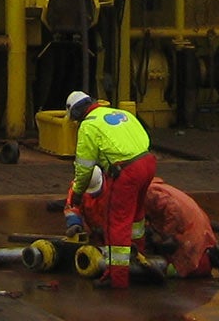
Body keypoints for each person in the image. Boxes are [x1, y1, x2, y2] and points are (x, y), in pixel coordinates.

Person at [65, 167, 219, 280]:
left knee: (180, 267)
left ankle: (209, 259)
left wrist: (166, 234)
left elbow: (166, 208)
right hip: (102, 232)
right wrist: (74, 222)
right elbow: (72, 205)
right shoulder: (78, 186)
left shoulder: (125, 190)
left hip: (184, 225)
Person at [65, 91, 158, 289]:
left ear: (77, 114)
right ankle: (139, 259)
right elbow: (143, 138)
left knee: (117, 224)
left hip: (126, 171)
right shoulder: (119, 113)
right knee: (137, 217)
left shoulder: (89, 126)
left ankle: (117, 278)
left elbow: (84, 167)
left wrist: (78, 193)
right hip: (148, 163)